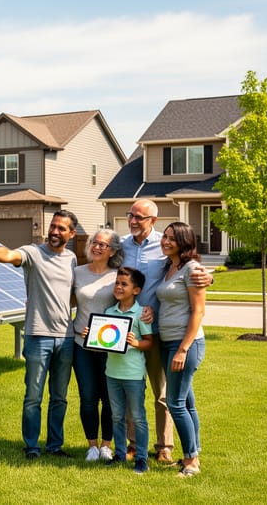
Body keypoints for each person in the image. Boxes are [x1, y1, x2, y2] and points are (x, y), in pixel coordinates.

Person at [0, 210, 78, 459]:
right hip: (38, 335)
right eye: (53, 226)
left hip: (67, 337)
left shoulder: (72, 258)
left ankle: (55, 445)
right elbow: (9, 255)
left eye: (61, 228)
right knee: (33, 395)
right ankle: (32, 446)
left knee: (60, 397)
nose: (54, 231)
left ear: (71, 234)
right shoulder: (33, 253)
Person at [120, 199, 211, 464]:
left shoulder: (166, 243)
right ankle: (134, 444)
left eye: (139, 217)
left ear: (152, 220)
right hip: (129, 329)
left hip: (160, 332)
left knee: (164, 394)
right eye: (130, 215)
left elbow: (191, 271)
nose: (133, 221)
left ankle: (165, 446)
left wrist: (209, 277)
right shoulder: (121, 244)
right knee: (131, 388)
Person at [155, 222, 206, 478]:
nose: (165, 241)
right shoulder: (169, 267)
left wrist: (183, 349)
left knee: (174, 403)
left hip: (185, 343)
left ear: (184, 242)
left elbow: (198, 311)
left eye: (172, 238)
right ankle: (193, 453)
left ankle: (190, 462)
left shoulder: (192, 269)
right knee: (187, 402)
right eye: (164, 237)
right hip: (167, 341)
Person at [91, 266, 153, 475]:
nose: (118, 286)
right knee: (117, 416)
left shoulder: (140, 313)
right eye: (117, 283)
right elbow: (104, 340)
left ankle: (142, 458)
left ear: (136, 290)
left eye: (123, 284)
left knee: (137, 417)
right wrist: (92, 335)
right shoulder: (109, 312)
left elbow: (149, 343)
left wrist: (135, 343)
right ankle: (119, 453)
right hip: (112, 374)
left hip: (133, 375)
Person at [71, 229, 123, 462]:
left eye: (103, 244)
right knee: (88, 398)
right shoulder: (77, 273)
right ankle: (91, 445)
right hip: (81, 346)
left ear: (112, 251)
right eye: (95, 242)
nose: (97, 247)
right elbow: (62, 300)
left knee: (110, 399)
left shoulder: (118, 276)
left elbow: (127, 307)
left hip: (110, 348)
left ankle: (106, 446)